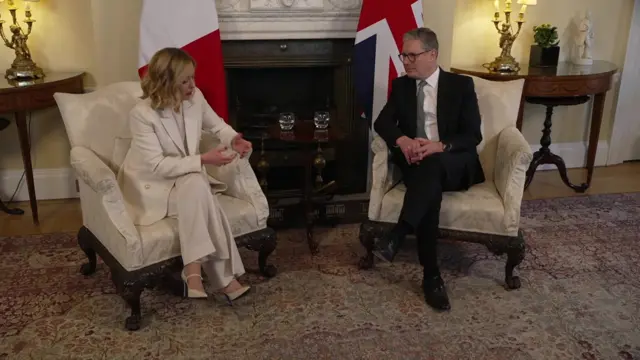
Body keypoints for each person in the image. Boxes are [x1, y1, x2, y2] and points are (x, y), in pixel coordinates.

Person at [118, 47, 252, 303]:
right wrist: (203, 159)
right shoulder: (142, 115)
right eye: (185, 80)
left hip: (187, 182)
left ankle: (192, 271)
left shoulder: (195, 98)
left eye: (193, 77)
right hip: (152, 187)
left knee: (195, 183)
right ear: (166, 82)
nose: (193, 84)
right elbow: (157, 166)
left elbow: (217, 126)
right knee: (200, 187)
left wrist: (234, 140)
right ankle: (225, 280)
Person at [372, 28, 485, 311]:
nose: (406, 61)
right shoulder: (401, 87)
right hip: (418, 165)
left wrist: (439, 146)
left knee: (431, 167)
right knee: (428, 189)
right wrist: (403, 140)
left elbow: (472, 136)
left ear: (432, 54)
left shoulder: (461, 86)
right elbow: (382, 123)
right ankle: (431, 276)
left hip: (453, 162)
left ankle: (400, 233)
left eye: (412, 55)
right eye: (403, 55)